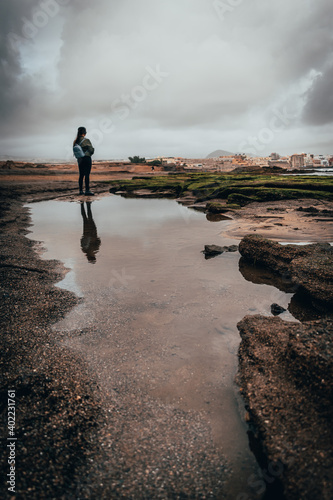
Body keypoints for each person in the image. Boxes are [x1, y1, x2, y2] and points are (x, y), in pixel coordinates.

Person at [73, 126, 95, 195]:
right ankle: (87, 190)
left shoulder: (75, 141)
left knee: (81, 175)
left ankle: (80, 191)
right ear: (85, 133)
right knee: (87, 175)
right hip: (86, 158)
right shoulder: (86, 140)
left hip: (79, 159)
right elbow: (91, 150)